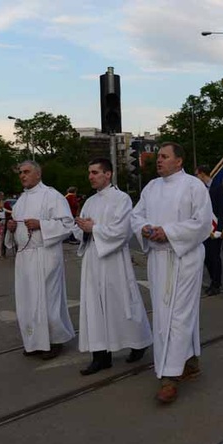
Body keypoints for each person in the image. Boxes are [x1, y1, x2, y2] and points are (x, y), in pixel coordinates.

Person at [131, 142, 213, 404]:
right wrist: (144, 228)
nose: (159, 161)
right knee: (164, 313)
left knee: (178, 314)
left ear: (179, 161)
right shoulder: (151, 187)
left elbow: (202, 223)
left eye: (165, 157)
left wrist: (169, 232)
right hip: (158, 258)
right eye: (158, 157)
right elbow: (136, 215)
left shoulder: (193, 186)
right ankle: (189, 361)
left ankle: (169, 376)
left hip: (184, 257)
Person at [73, 158, 152, 376]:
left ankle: (139, 341)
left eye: (95, 172)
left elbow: (122, 231)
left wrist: (94, 228)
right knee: (94, 306)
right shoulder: (89, 201)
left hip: (114, 260)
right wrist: (82, 228)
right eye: (89, 172)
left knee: (122, 302)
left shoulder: (122, 199)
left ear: (108, 174)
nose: (91, 176)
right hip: (92, 259)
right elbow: (79, 230)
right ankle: (100, 356)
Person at [5, 160, 75, 360]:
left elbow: (67, 224)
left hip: (46, 254)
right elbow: (18, 229)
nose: (22, 176)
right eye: (20, 173)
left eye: (26, 172)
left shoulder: (52, 196)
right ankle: (34, 341)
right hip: (25, 257)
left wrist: (41, 225)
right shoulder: (20, 201)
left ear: (38, 174)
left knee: (48, 300)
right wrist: (12, 229)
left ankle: (54, 340)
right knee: (27, 300)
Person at [195, 165, 223, 296]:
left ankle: (216, 284)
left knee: (215, 257)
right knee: (206, 257)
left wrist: (220, 228)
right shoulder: (199, 189)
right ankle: (212, 281)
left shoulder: (218, 187)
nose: (196, 177)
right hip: (204, 229)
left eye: (197, 174)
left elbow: (222, 209)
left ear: (203, 174)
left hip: (215, 229)